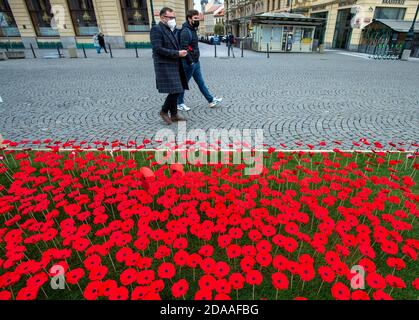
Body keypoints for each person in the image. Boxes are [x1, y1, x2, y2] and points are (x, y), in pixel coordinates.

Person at [177, 9, 222, 111]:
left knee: (201, 83)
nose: (197, 20)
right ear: (189, 19)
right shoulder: (185, 31)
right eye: (195, 18)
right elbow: (184, 48)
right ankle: (179, 103)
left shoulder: (192, 29)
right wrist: (190, 61)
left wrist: (195, 61)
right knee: (184, 84)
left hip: (195, 62)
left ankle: (211, 100)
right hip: (189, 63)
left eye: (198, 18)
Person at [150, 7, 189, 125]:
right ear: (163, 17)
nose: (173, 19)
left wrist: (180, 52)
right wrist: (177, 53)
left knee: (178, 88)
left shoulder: (169, 29)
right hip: (164, 64)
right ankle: (163, 111)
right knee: (176, 90)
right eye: (170, 17)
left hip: (174, 63)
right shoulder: (156, 29)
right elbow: (158, 49)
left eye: (173, 17)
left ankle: (174, 114)